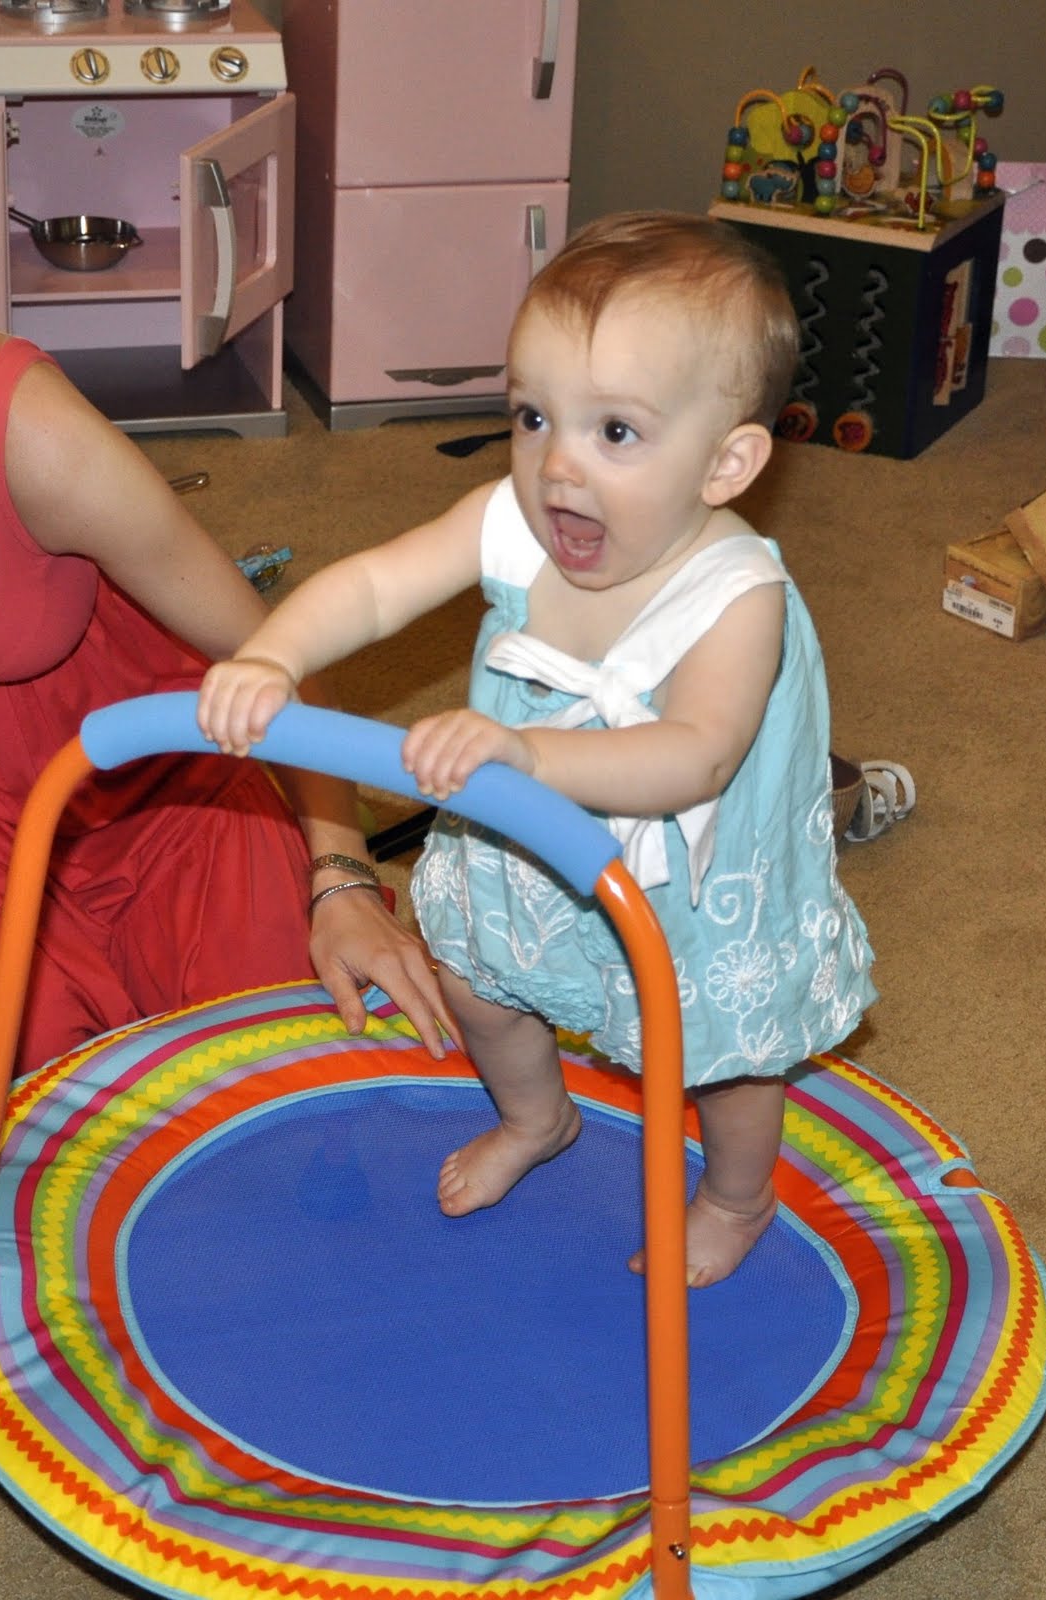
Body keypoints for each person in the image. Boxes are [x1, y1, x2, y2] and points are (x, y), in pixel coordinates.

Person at [197, 211, 876, 1286]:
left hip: (688, 871)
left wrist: (525, 756)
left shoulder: (738, 597)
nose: (557, 465)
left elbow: (695, 756)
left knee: (726, 1058)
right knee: (478, 981)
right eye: (530, 415)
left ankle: (738, 1199)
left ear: (728, 461)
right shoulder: (506, 517)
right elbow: (373, 586)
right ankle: (536, 1116)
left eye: (615, 432)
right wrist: (272, 655)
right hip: (521, 826)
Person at [0, 322, 454, 1120]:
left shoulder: (24, 427)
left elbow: (276, 659)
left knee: (284, 1047)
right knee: (29, 1086)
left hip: (164, 784)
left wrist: (342, 876)